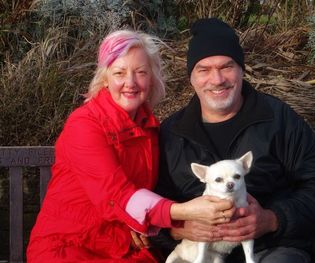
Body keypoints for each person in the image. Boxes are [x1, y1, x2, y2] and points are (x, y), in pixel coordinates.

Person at [26, 29, 234, 262]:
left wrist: (147, 224)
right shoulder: (84, 125)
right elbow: (116, 195)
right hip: (70, 248)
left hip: (125, 247)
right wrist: (184, 212)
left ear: (152, 77)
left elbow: (150, 194)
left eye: (141, 72)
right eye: (119, 73)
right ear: (105, 77)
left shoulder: (149, 127)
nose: (131, 83)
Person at [152, 18, 315, 263]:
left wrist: (274, 219)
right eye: (204, 69)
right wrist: (176, 229)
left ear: (242, 69)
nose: (217, 79)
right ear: (192, 78)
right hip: (202, 255)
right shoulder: (172, 134)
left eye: (227, 66)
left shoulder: (279, 120)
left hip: (272, 248)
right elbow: (153, 203)